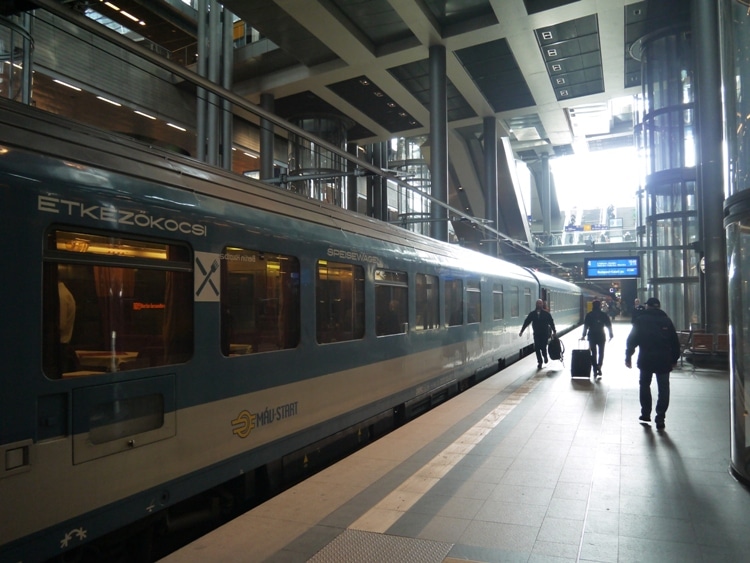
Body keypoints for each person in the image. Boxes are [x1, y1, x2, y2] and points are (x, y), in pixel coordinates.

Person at [625, 297, 680, 429]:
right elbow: (675, 342)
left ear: (648, 306)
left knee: (644, 385)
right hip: (664, 360)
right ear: (659, 307)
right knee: (664, 389)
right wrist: (674, 359)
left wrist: (628, 356)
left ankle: (645, 413)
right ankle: (660, 417)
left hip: (646, 359)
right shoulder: (667, 320)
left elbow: (632, 340)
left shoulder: (641, 320)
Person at [519, 299, 556, 369]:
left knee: (543, 347)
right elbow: (527, 322)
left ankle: (545, 356)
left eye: (540, 304)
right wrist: (521, 331)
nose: (539, 305)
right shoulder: (532, 314)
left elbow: (551, 322)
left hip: (544, 334)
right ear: (536, 305)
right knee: (537, 348)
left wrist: (554, 331)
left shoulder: (546, 314)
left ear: (542, 305)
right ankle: (540, 362)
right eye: (538, 304)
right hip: (536, 334)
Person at [582, 299, 613, 378]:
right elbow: (609, 325)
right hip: (601, 335)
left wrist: (583, 335)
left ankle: (595, 368)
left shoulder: (589, 315)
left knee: (593, 353)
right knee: (601, 352)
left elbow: (586, 326)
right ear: (599, 306)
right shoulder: (603, 314)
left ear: (592, 306)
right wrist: (611, 334)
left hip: (592, 335)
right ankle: (599, 366)